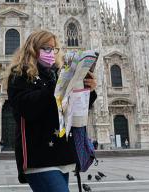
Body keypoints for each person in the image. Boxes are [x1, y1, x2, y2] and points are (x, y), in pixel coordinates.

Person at [7, 30, 97, 191]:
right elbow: (26, 108)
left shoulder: (55, 74)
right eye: (46, 48)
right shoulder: (19, 75)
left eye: (54, 49)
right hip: (39, 156)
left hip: (61, 154)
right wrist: (57, 85)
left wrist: (86, 90)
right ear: (33, 49)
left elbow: (73, 111)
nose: (51, 53)